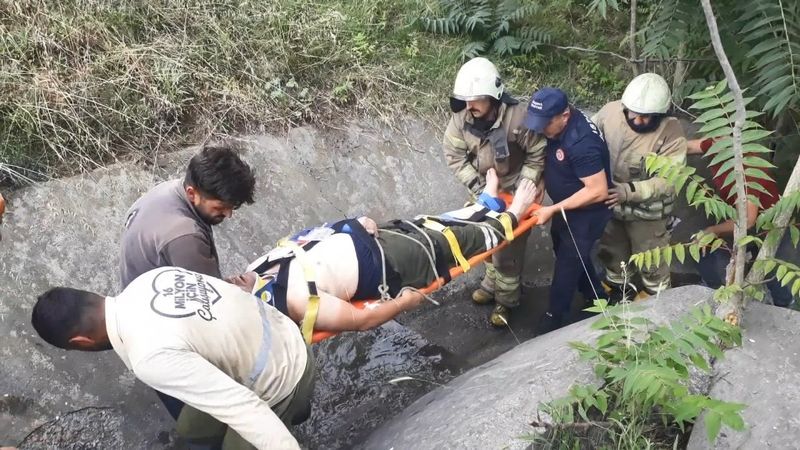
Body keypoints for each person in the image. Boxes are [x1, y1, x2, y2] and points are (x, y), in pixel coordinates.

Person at [228, 169, 540, 336]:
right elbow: (360, 320)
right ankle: (511, 216)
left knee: (431, 222)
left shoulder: (256, 270)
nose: (230, 278)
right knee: (455, 241)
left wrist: (348, 225)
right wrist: (406, 302)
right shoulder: (294, 300)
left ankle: (485, 203)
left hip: (366, 235)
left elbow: (307, 240)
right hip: (388, 265)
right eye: (230, 286)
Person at [31, 268, 314, 450]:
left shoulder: (149, 355)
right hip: (279, 330)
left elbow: (246, 407)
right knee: (192, 430)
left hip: (286, 374)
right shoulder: (150, 279)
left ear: (81, 342)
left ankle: (296, 410)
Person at [119, 142, 256, 420]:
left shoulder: (169, 191)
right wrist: (248, 289)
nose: (228, 215)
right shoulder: (184, 236)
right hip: (161, 336)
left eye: (233, 208)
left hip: (143, 305)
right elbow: (214, 309)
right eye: (221, 207)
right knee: (203, 417)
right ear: (193, 193)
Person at [442, 56, 545, 326]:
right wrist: (481, 189)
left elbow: (536, 152)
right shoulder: (461, 120)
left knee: (508, 255)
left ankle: (506, 302)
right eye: (465, 100)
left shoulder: (519, 119)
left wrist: (526, 186)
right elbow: (454, 156)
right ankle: (489, 286)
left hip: (516, 195)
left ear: (493, 97)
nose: (469, 106)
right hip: (484, 191)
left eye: (475, 100)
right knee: (487, 243)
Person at [524, 87, 612, 333]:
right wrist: (542, 184)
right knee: (564, 249)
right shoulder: (557, 128)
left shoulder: (582, 142)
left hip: (588, 213)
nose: (540, 129)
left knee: (567, 262)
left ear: (564, 115)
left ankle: (554, 317)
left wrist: (552, 209)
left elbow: (598, 190)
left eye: (545, 123)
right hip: (567, 207)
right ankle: (595, 296)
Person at [592, 73, 688, 300]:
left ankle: (656, 296)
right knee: (612, 250)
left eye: (647, 117)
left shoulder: (671, 133)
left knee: (652, 257)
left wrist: (629, 192)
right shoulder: (609, 113)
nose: (639, 121)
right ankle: (617, 287)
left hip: (648, 212)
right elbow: (589, 138)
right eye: (633, 115)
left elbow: (669, 180)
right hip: (611, 204)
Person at [687, 138, 793, 307]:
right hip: (741, 217)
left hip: (771, 226)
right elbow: (692, 145)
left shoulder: (749, 173)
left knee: (774, 271)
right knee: (702, 250)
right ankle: (716, 291)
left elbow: (747, 221)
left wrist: (713, 229)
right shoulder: (720, 142)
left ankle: (783, 306)